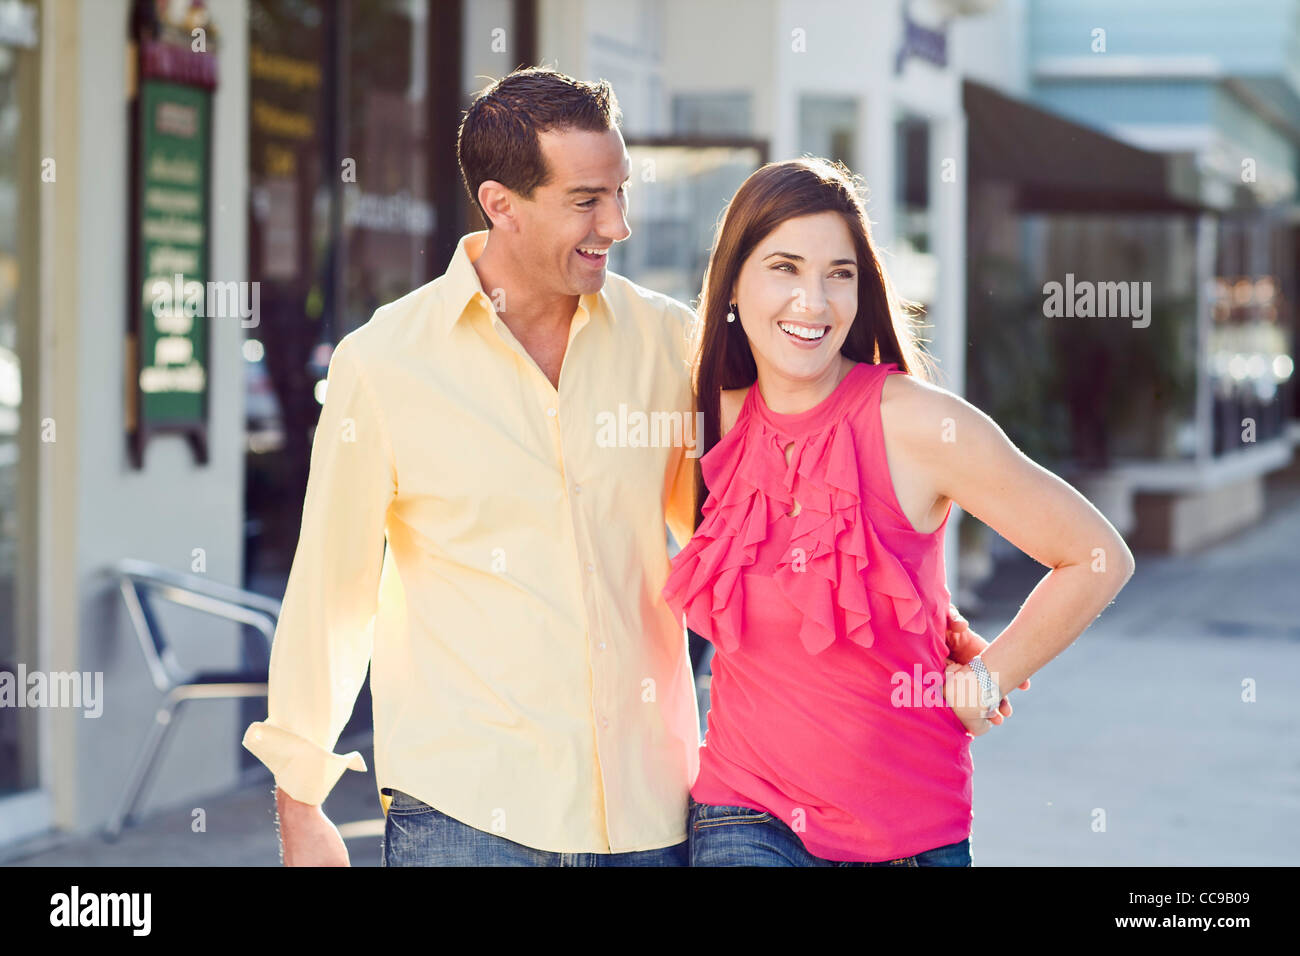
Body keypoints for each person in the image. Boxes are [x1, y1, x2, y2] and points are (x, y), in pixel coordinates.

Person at [242, 67, 997, 867]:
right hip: (464, 814)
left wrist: (903, 614)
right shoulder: (387, 363)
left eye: (621, 191)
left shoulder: (672, 346)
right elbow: (332, 593)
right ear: (502, 205)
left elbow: (742, 530)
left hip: (649, 817)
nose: (619, 224)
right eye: (587, 201)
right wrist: (301, 797)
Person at [664, 157, 1135, 867]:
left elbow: (1097, 556)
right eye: (784, 268)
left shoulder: (919, 424)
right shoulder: (707, 420)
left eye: (839, 273)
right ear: (734, 280)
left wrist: (988, 675)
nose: (813, 302)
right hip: (744, 812)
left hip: (911, 832)